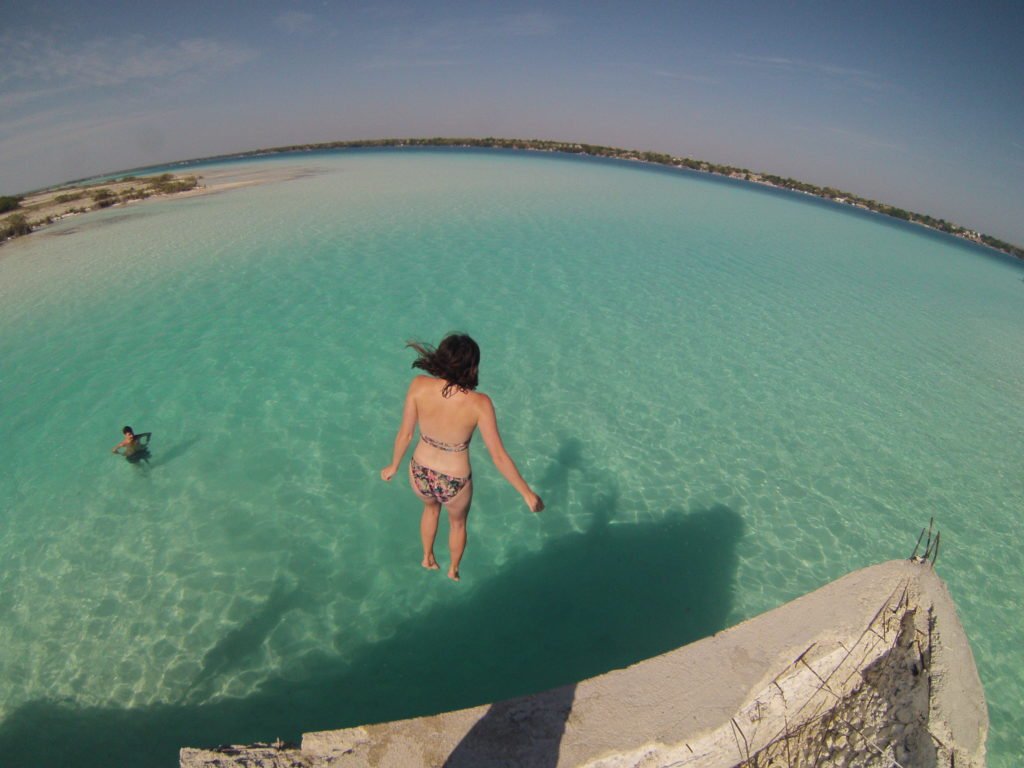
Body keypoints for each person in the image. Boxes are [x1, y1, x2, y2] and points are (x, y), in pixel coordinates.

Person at [380, 334, 543, 581]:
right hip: (453, 480)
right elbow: (498, 456)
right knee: (457, 525)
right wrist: (526, 493)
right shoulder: (480, 403)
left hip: (420, 471)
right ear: (472, 366)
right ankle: (453, 569)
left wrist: (393, 465)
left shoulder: (418, 385)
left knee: (430, 511)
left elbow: (406, 434)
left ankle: (427, 557)